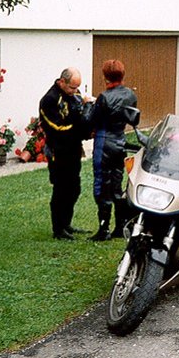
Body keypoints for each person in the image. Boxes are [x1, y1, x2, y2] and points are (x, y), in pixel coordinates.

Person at [85, 59, 138, 241]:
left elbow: (90, 120)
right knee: (116, 184)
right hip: (120, 141)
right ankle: (120, 226)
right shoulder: (130, 95)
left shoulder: (104, 97)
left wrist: (88, 104)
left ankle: (103, 229)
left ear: (105, 76)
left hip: (104, 141)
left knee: (101, 185)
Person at [39, 67, 93, 240]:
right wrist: (81, 122)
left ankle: (66, 224)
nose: (75, 91)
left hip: (73, 149)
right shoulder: (49, 100)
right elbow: (59, 128)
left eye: (77, 87)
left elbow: (80, 120)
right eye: (72, 87)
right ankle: (58, 229)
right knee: (61, 189)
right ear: (62, 81)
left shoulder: (74, 95)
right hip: (58, 151)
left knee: (74, 188)